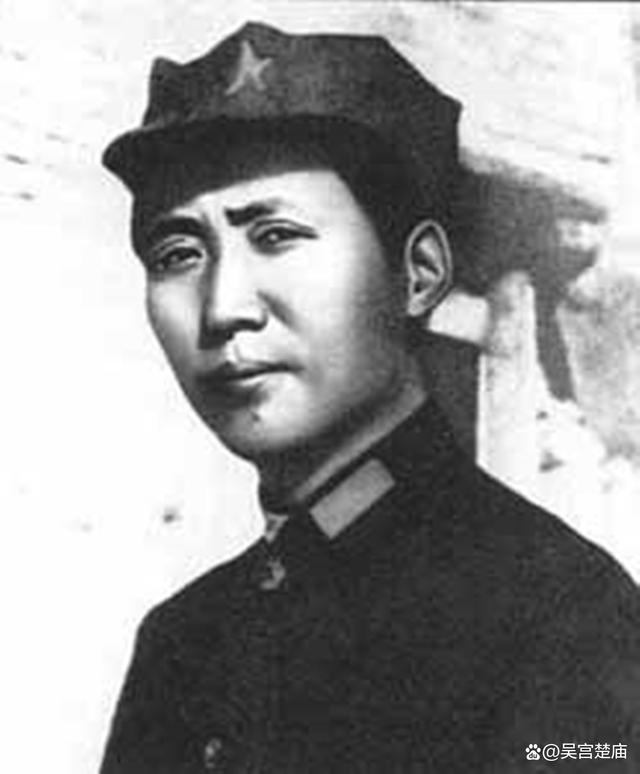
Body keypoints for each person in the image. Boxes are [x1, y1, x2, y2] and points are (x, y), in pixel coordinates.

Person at [99, 22, 640, 773]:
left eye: (277, 235)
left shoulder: (558, 611)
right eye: (178, 253)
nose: (222, 308)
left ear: (418, 274)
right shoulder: (183, 641)